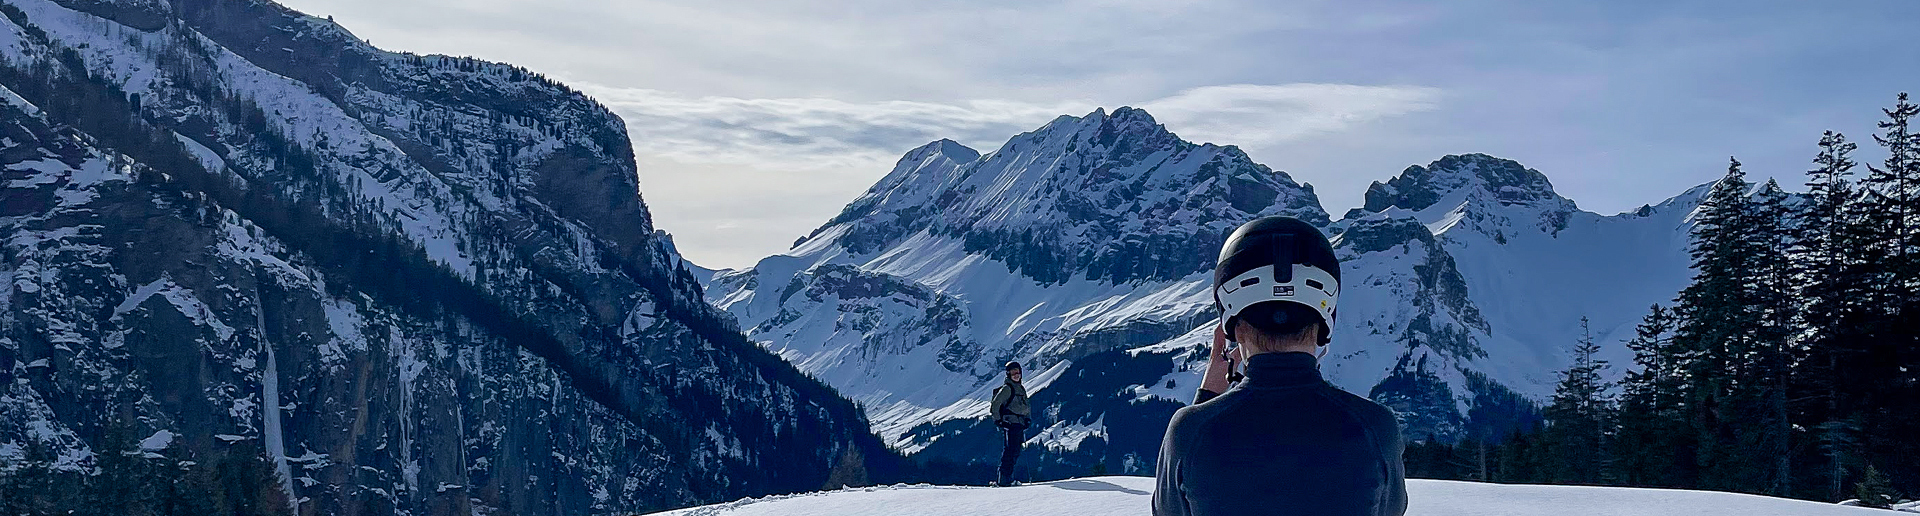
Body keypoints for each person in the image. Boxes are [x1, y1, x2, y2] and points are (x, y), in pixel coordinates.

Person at [1153, 216, 1408, 516]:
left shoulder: (1190, 432)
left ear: (1232, 327)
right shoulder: (1377, 428)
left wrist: (1208, 399)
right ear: (1325, 321)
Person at [990, 360, 1032, 487]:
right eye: (1013, 373)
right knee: (1010, 451)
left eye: (1018, 372)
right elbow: (995, 405)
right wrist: (999, 421)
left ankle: (1007, 477)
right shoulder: (1007, 389)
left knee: (1015, 450)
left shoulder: (1020, 388)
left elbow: (1026, 405)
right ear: (1008, 374)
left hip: (1018, 423)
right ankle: (1004, 478)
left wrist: (1027, 418)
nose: (1016, 375)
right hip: (1010, 423)